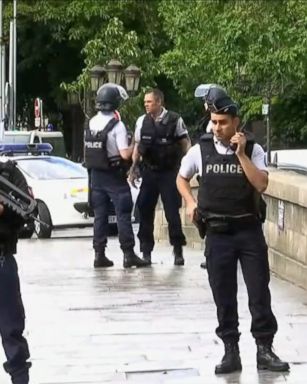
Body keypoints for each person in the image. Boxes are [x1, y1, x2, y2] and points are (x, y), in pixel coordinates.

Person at [176, 86, 289, 374]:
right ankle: (230, 350)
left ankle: (264, 349)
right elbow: (181, 178)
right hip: (217, 233)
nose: (216, 128)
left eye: (222, 122)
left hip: (248, 230)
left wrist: (240, 154)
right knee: (223, 294)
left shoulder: (254, 149)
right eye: (213, 122)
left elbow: (261, 184)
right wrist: (189, 202)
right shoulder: (199, 150)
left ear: (236, 122)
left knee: (258, 292)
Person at [84, 83, 150, 269]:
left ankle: (99, 254)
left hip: (96, 175)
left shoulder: (91, 122)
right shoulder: (117, 125)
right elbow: (124, 155)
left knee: (100, 216)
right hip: (113, 175)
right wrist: (134, 144)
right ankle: (128, 254)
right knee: (123, 213)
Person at [129, 88, 190, 265]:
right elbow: (138, 146)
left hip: (169, 172)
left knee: (172, 212)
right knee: (144, 209)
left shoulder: (174, 119)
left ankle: (178, 249)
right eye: (145, 102)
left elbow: (185, 142)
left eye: (149, 102)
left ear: (159, 102)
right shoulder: (142, 121)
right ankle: (146, 251)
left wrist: (185, 166)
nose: (146, 105)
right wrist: (133, 168)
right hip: (150, 171)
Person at [0, 159, 31, 384]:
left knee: (11, 328)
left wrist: (4, 210)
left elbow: (28, 212)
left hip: (2, 259)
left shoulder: (9, 174)